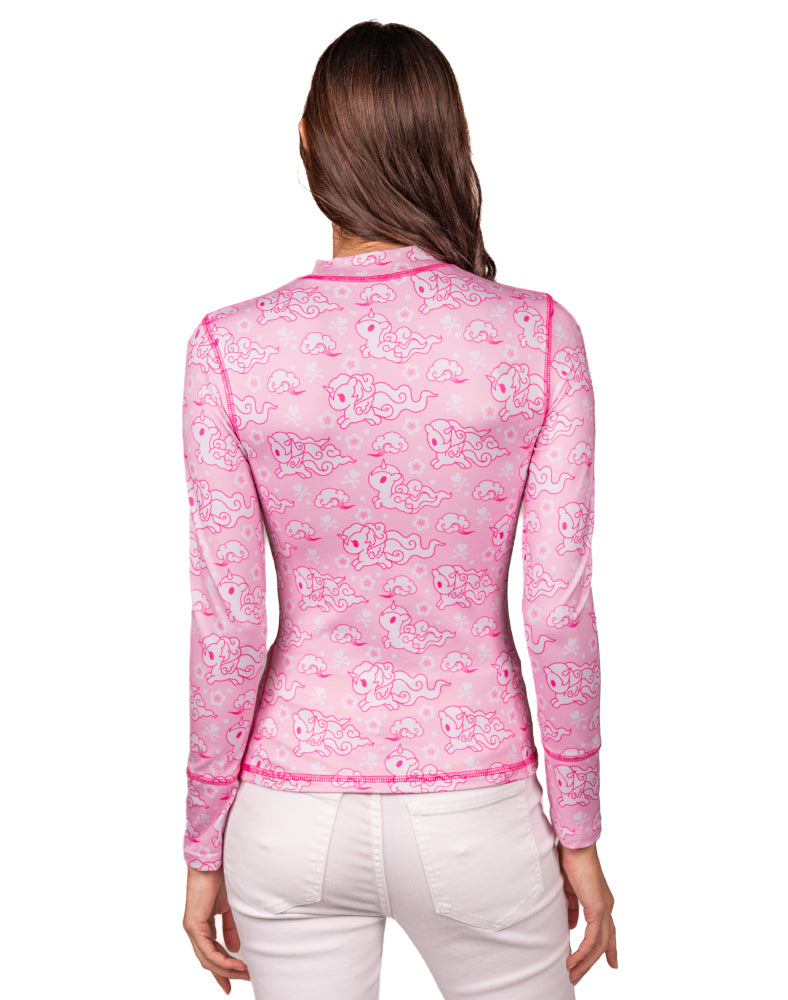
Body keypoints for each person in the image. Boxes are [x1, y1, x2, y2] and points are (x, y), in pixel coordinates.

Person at [181, 18, 617, 999]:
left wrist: (204, 840)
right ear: (447, 145)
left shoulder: (227, 348)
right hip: (478, 807)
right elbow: (556, 612)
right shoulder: (539, 336)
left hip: (286, 813)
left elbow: (228, 621)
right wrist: (580, 830)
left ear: (306, 142)